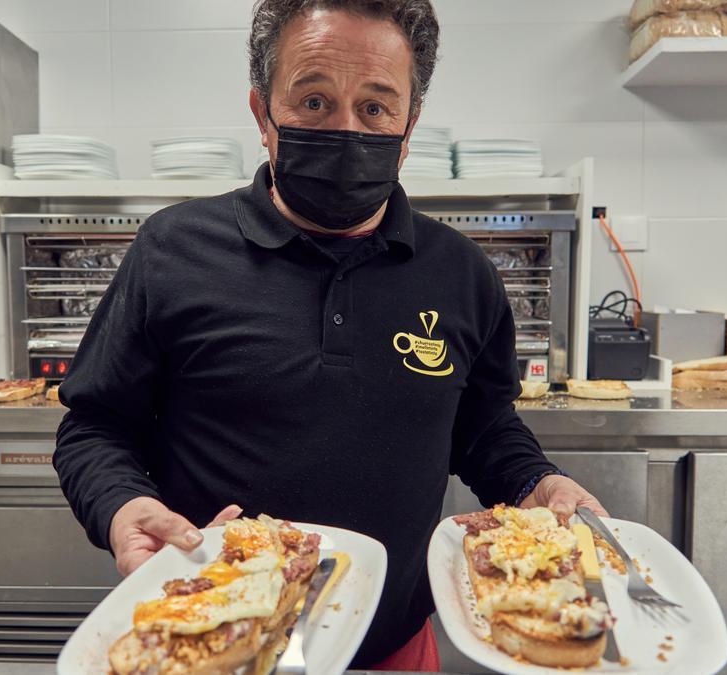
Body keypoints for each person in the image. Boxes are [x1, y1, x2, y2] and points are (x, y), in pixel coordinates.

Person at [53, 0, 607, 668]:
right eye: (314, 101)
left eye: (375, 107)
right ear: (263, 115)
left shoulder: (462, 274)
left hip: (397, 649)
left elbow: (484, 429)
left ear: (409, 126)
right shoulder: (172, 251)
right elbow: (94, 426)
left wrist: (533, 483)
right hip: (212, 642)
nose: (347, 128)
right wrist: (121, 505)